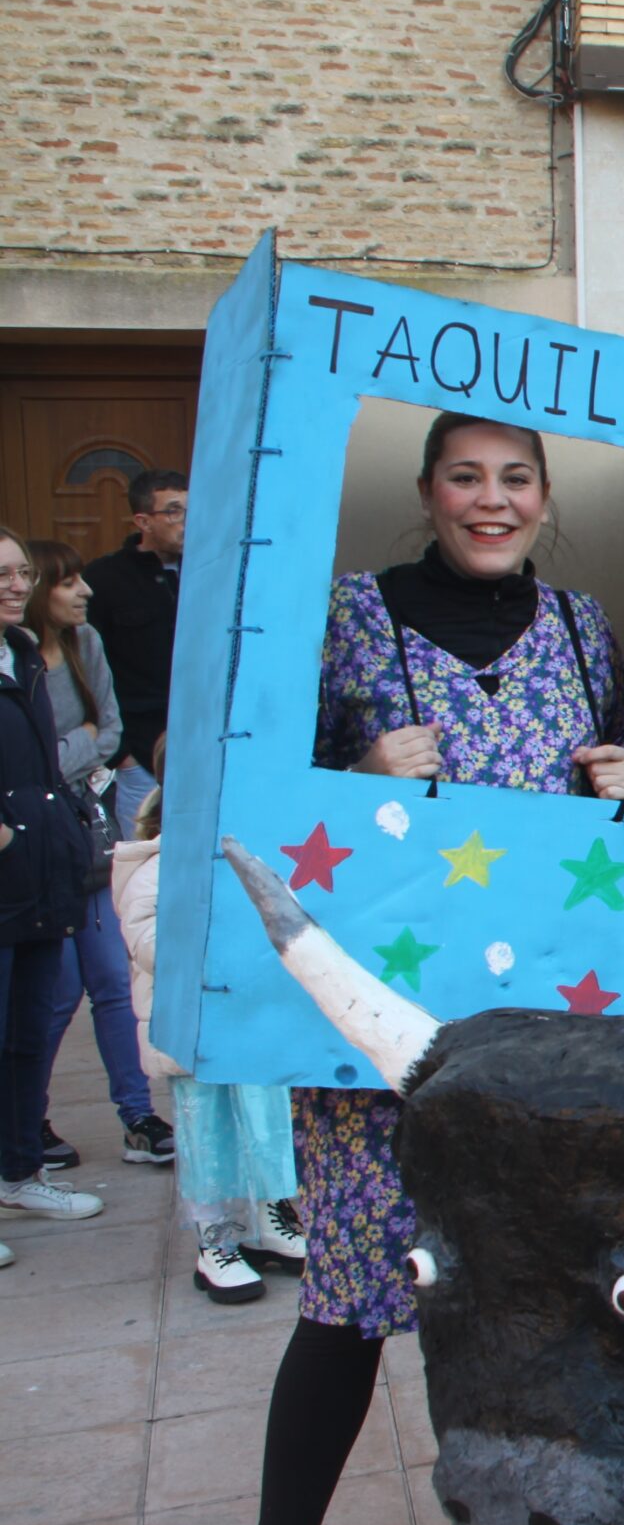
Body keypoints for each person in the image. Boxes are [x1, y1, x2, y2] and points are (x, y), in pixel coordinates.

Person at [224, 412, 624, 1525]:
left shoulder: (581, 630)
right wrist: (353, 768)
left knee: (544, 1300)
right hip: (379, 1034)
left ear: (543, 494)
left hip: (538, 1038)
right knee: (354, 1300)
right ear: (425, 490)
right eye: (465, 477)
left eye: (515, 478)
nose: (491, 500)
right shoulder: (343, 615)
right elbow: (253, 788)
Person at [112, 752, 305, 1302]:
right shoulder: (157, 861)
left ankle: (270, 1221)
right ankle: (215, 1240)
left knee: (267, 1124)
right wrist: (205, 951)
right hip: (197, 1027)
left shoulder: (250, 848)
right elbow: (144, 932)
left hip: (250, 1023)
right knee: (207, 1134)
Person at [22, 539, 174, 1164]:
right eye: (67, 582)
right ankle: (25, 1120)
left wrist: (70, 748)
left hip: (87, 831)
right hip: (34, 847)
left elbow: (108, 732)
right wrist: (69, 748)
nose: (84, 592)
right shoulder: (17, 659)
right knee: (53, 994)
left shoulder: (86, 645)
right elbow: (29, 761)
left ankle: (139, 1117)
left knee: (113, 980)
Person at [0, 526, 106, 1244]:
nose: (16, 583)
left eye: (20, 572)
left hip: (38, 873)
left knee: (26, 1035)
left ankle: (18, 1171)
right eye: (2, 573)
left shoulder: (21, 656)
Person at [87, 469, 187, 837]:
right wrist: (121, 755)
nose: (186, 522)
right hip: (140, 753)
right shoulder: (104, 579)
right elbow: (89, 668)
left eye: (192, 511)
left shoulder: (213, 571)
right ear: (143, 520)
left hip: (205, 746)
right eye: (174, 511)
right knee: (145, 860)